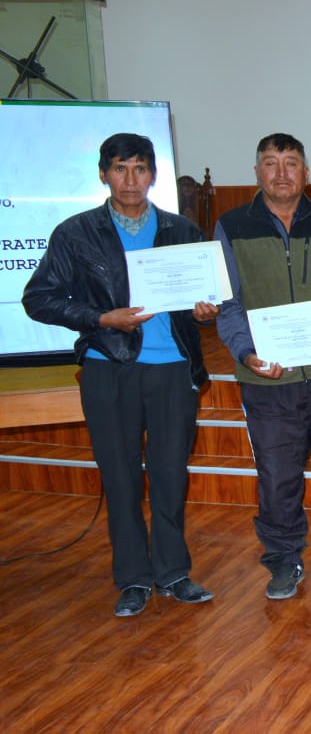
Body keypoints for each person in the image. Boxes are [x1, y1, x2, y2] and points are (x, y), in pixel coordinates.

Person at [22, 133, 219, 617]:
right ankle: (132, 578)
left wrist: (205, 311)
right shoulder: (76, 233)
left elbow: (202, 303)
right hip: (108, 367)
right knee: (121, 477)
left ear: (153, 175)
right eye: (119, 168)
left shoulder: (182, 230)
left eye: (139, 168)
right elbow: (38, 298)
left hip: (173, 369)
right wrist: (100, 318)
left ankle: (173, 572)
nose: (130, 179)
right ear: (103, 174)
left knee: (170, 475)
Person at [216, 133, 311, 600]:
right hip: (268, 379)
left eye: (291, 163)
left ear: (306, 173)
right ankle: (284, 559)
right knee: (277, 475)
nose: (281, 172)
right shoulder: (231, 226)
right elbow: (228, 303)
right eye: (271, 162)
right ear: (256, 172)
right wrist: (247, 353)